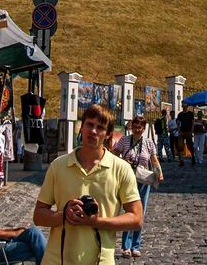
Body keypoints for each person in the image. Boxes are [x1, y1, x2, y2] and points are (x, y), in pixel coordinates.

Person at [34, 104, 142, 265]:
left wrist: (95, 222)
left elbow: (136, 219)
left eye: (100, 128)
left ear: (108, 134)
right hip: (57, 260)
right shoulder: (58, 166)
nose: (93, 131)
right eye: (90, 125)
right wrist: (63, 215)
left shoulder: (121, 169)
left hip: (100, 261)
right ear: (81, 127)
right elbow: (38, 216)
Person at [113, 115, 163, 258]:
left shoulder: (149, 143)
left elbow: (154, 160)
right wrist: (123, 161)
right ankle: (126, 247)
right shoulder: (124, 140)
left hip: (143, 181)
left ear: (144, 128)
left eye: (140, 128)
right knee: (129, 212)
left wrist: (160, 173)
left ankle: (136, 245)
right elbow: (114, 156)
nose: (137, 130)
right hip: (127, 181)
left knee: (140, 213)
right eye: (135, 127)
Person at [176, 103, 195, 167]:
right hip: (182, 131)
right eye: (183, 106)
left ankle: (193, 156)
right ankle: (181, 160)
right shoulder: (180, 114)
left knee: (190, 145)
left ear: (187, 106)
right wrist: (179, 130)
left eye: (185, 106)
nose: (184, 107)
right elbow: (178, 122)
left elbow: (193, 122)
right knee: (180, 146)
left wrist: (192, 131)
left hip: (188, 131)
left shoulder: (190, 113)